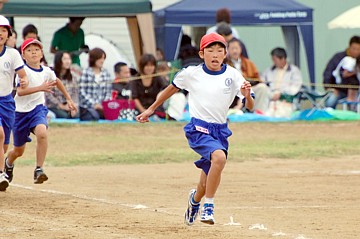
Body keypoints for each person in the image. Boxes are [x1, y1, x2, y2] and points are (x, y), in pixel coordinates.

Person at [136, 33, 254, 225]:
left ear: (225, 54)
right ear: (201, 53)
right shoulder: (191, 73)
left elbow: (249, 105)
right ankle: (209, 207)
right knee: (219, 158)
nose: (215, 54)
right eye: (210, 50)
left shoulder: (233, 75)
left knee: (204, 182)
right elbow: (170, 89)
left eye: (219, 50)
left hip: (220, 131)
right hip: (199, 129)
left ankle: (195, 200)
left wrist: (247, 96)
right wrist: (150, 109)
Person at [4, 38, 77, 185]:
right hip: (20, 113)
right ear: (23, 55)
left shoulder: (46, 71)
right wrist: (40, 88)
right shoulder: (22, 72)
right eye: (29, 51)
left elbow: (56, 81)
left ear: (42, 53)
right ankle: (9, 163)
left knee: (42, 133)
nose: (34, 53)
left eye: (37, 50)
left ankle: (39, 169)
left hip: (37, 109)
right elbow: (20, 91)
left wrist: (68, 99)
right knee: (18, 151)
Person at [0, 15, 28, 191]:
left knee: (3, 144)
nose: (0, 34)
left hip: (7, 102)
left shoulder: (13, 53)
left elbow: (23, 76)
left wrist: (23, 82)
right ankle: (1, 173)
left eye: (3, 31)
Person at [226, 37, 269, 113]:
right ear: (228, 50)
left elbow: (256, 78)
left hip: (248, 88)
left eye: (236, 48)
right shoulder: (225, 63)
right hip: (232, 90)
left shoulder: (248, 63)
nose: (234, 51)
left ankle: (259, 113)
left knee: (262, 88)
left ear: (241, 49)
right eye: (232, 48)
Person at [261, 47, 303, 117]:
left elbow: (295, 88)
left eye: (275, 60)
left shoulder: (294, 71)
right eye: (273, 60)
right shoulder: (268, 70)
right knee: (266, 115)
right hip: (270, 100)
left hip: (285, 100)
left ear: (283, 59)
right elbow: (262, 82)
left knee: (280, 115)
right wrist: (270, 94)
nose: (273, 62)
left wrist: (281, 94)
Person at [323, 36, 360, 109]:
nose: (356, 51)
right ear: (349, 47)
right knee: (330, 101)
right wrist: (330, 88)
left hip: (357, 91)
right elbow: (328, 73)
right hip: (339, 90)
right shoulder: (338, 57)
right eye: (354, 49)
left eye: (358, 49)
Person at [129, 53, 169, 119]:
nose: (149, 68)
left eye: (151, 65)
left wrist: (161, 93)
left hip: (156, 110)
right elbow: (134, 97)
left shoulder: (158, 78)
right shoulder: (135, 80)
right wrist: (143, 111)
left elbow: (167, 88)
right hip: (140, 111)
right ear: (142, 66)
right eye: (147, 66)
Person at [79, 47, 112, 121]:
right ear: (94, 59)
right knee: (94, 116)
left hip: (103, 107)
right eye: (100, 58)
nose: (102, 61)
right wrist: (94, 104)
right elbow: (82, 92)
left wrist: (104, 105)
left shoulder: (106, 73)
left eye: (103, 58)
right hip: (87, 107)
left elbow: (108, 92)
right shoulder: (85, 72)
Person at [46, 51, 80, 118]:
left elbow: (75, 94)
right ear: (58, 60)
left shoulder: (73, 77)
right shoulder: (51, 75)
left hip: (68, 105)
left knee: (76, 115)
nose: (68, 61)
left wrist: (73, 107)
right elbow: (48, 94)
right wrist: (61, 106)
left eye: (69, 59)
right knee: (64, 116)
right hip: (54, 106)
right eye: (65, 59)